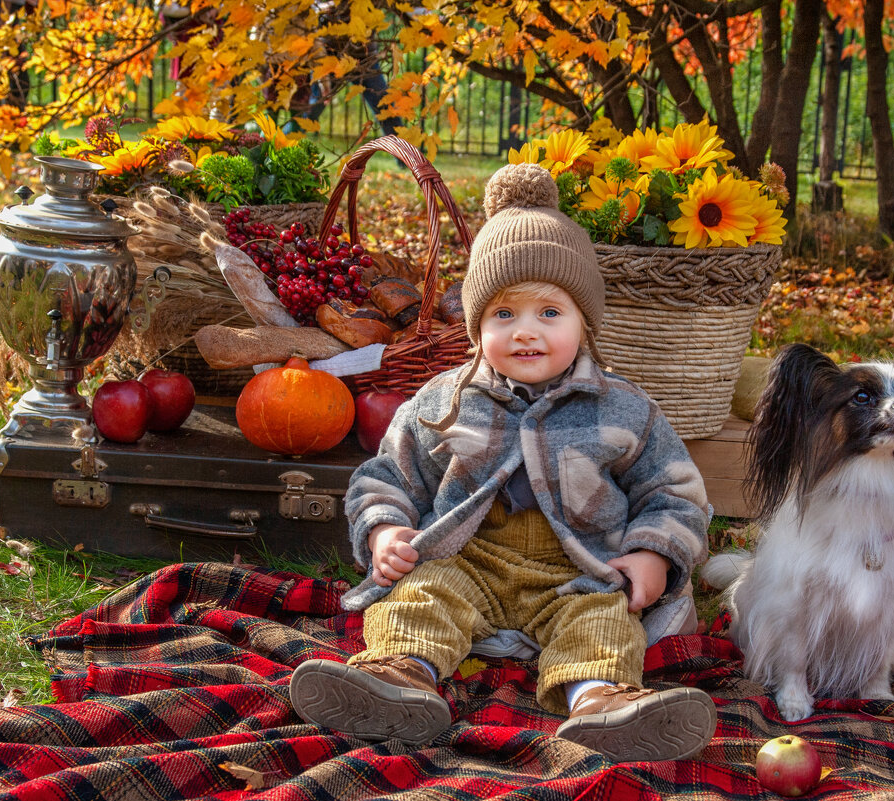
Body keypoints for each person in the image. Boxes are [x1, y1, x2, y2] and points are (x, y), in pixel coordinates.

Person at [290, 163, 717, 763]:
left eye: (550, 313)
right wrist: (385, 528)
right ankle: (397, 679)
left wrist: (653, 552)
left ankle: (601, 704)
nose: (526, 333)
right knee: (422, 596)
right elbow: (386, 473)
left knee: (602, 618)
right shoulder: (444, 400)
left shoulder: (622, 408)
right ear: (475, 324)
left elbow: (674, 492)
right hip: (470, 559)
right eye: (503, 315)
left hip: (578, 568)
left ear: (584, 323)